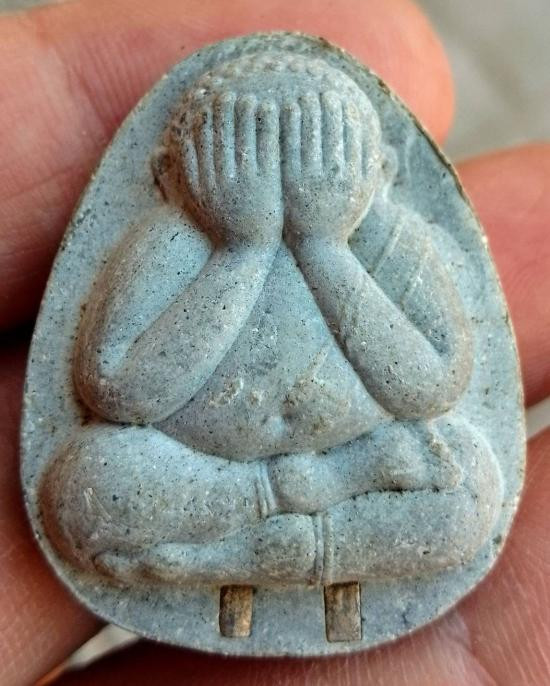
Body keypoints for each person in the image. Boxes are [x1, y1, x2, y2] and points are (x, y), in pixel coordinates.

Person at [1, 0, 549, 683]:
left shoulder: (388, 238)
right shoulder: (172, 238)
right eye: (242, 153)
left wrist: (326, 246)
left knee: (468, 482)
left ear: (377, 170)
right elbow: (117, 392)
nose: (282, 180)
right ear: (173, 173)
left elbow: (432, 386)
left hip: (361, 467)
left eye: (320, 151)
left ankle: (244, 558)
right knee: (86, 484)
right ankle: (274, 527)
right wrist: (241, 248)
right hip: (211, 477)